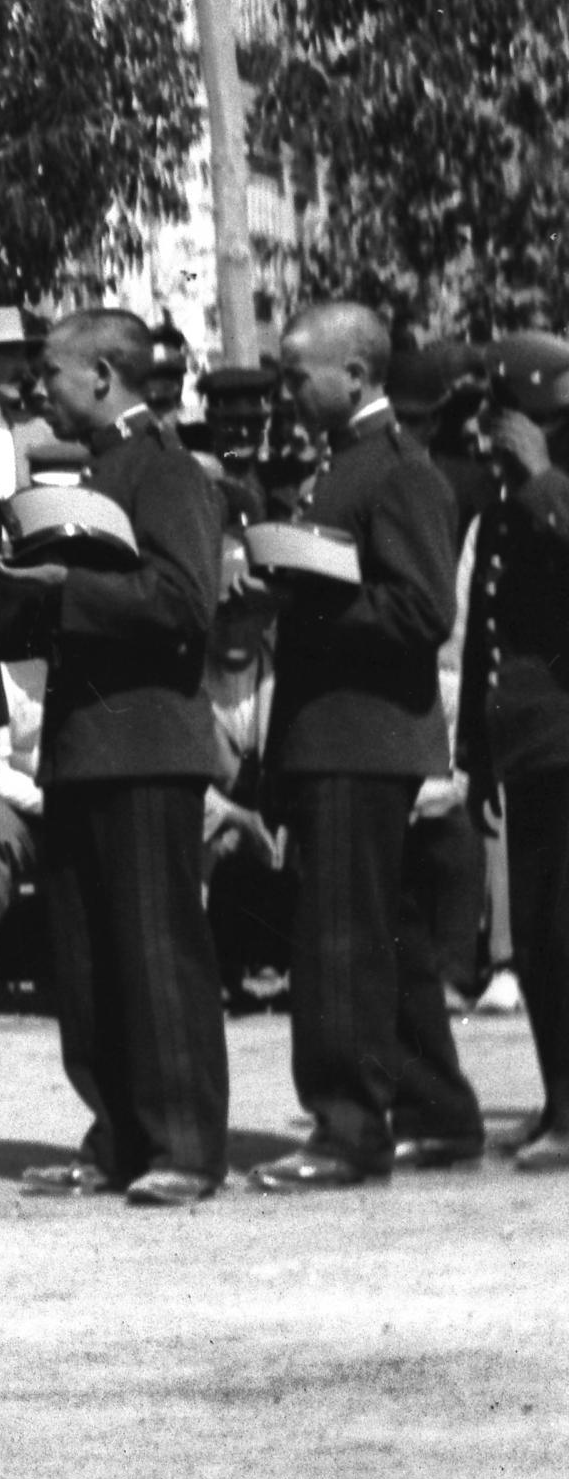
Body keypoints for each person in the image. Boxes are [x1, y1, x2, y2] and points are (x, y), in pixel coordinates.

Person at [0, 305, 233, 1205]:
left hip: (145, 745)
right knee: (87, 957)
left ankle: (184, 1146)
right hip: (88, 748)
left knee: (156, 951)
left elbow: (184, 600)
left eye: (51, 371)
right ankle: (118, 1135)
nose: (37, 387)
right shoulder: (92, 472)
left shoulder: (163, 470)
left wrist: (63, 587)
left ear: (102, 374)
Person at [244, 297, 484, 1188]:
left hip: (362, 739)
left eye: (298, 373)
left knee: (339, 942)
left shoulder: (395, 470)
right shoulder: (340, 466)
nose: (289, 389)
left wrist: (309, 600)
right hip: (338, 736)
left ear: (355, 373)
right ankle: (439, 1112)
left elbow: (425, 609)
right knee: (391, 938)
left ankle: (347, 1130)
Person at [469, 329, 569, 1171]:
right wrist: (475, 752)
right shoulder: (506, 500)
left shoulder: (547, 488)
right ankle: (558, 1101)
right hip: (528, 748)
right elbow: (484, 639)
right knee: (537, 934)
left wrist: (540, 476)